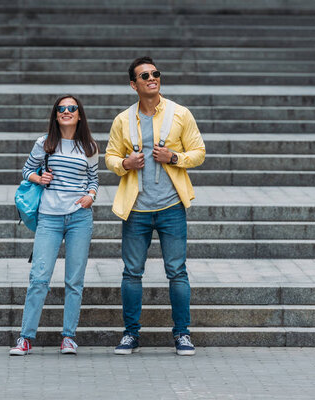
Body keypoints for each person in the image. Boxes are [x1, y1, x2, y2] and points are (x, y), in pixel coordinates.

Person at [105, 57, 206, 356]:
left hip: (172, 206)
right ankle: (130, 334)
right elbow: (110, 156)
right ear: (133, 84)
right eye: (144, 75)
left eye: (155, 73)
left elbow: (199, 151)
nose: (152, 78)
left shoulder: (180, 114)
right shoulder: (123, 119)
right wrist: (125, 163)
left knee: (177, 272)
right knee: (131, 273)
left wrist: (174, 158)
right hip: (136, 208)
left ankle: (182, 334)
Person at [10, 95, 99, 356]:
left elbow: (94, 179)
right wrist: (39, 177)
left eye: (72, 108)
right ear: (56, 115)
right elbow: (27, 171)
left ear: (79, 114)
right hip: (49, 217)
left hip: (80, 218)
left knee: (74, 280)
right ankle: (25, 338)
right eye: (61, 109)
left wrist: (91, 196)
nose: (67, 111)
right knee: (39, 278)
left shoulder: (90, 146)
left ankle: (69, 337)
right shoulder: (45, 143)